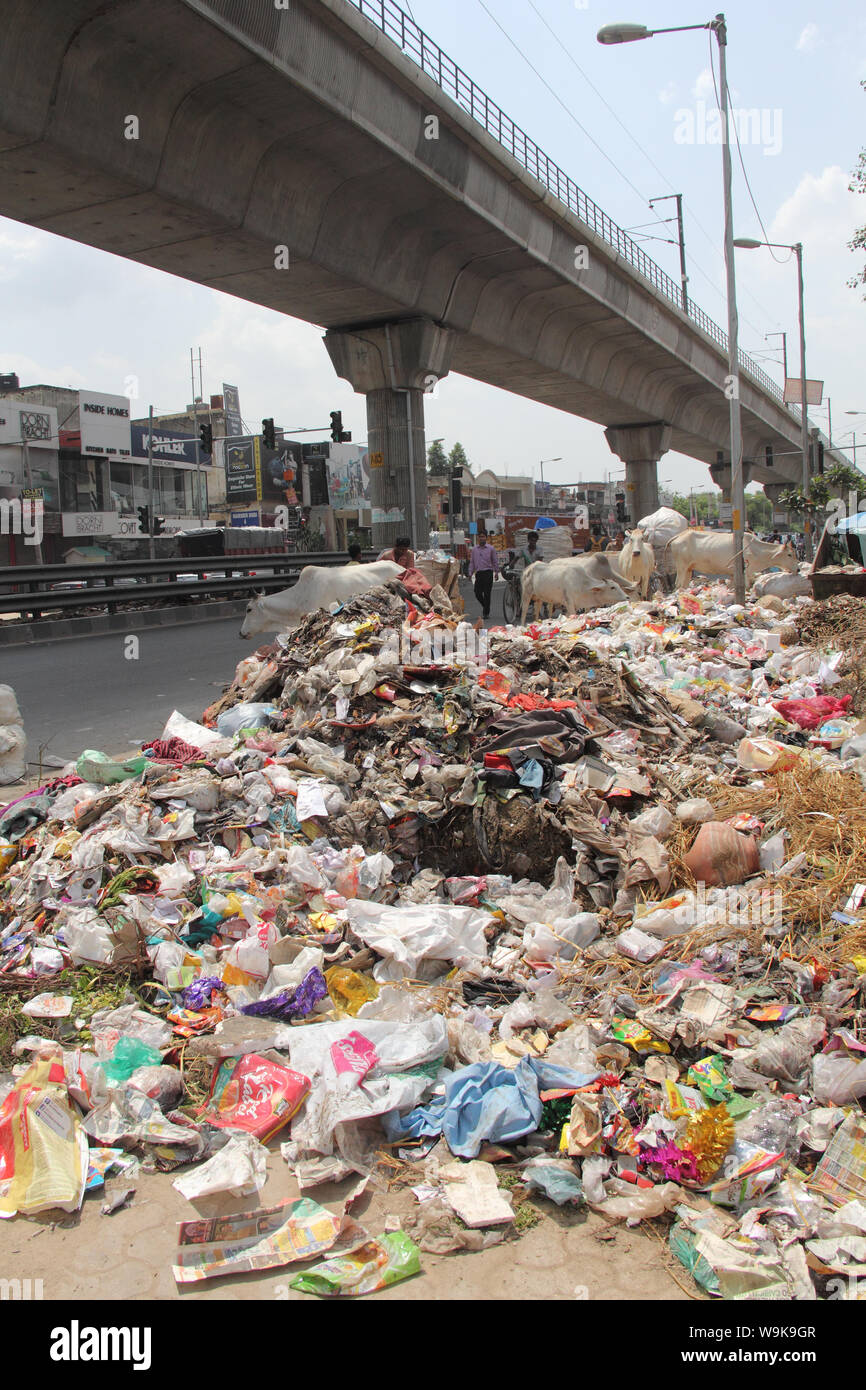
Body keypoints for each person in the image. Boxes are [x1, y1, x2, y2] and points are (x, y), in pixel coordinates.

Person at [468, 532, 499, 619]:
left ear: (486, 538)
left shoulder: (491, 549)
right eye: (480, 537)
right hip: (479, 574)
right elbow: (472, 562)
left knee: (487, 594)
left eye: (483, 537)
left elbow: (495, 561)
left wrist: (496, 572)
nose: (481, 538)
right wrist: (470, 573)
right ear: (478, 538)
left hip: (488, 573)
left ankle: (486, 613)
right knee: (477, 592)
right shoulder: (474, 550)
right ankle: (486, 606)